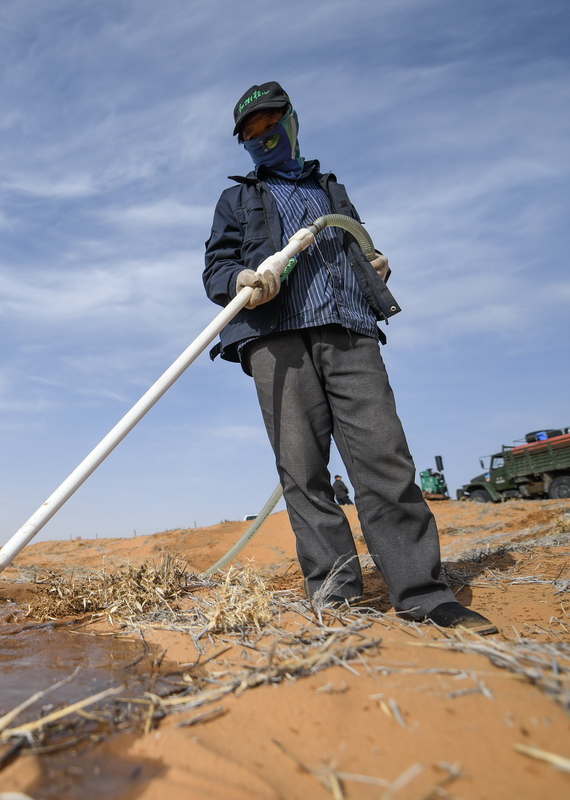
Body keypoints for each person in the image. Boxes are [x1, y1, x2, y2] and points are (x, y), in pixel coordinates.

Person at [203, 81, 496, 635]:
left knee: (384, 459)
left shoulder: (331, 192)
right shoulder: (236, 199)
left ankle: (424, 593)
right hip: (276, 340)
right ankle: (336, 600)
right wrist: (243, 277)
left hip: (349, 331)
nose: (263, 139)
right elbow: (214, 268)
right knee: (304, 471)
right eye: (251, 134)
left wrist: (375, 264)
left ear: (292, 121)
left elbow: (357, 242)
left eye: (271, 126)